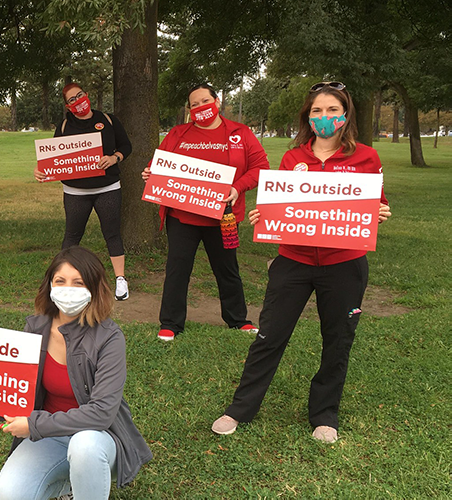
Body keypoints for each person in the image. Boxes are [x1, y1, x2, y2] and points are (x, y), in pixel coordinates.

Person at [211, 81, 391, 443]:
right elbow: (282, 206)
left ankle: (325, 414)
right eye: (317, 111)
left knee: (337, 339)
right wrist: (265, 216)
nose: (324, 117)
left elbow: (375, 203)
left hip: (345, 265)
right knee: (269, 335)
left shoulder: (367, 158)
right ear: (307, 118)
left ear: (345, 115)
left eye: (332, 110)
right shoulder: (293, 158)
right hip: (293, 262)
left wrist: (380, 212)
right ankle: (240, 408)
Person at [0, 246, 152, 499]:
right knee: (9, 494)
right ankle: (69, 485)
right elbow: (16, 391)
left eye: (78, 283)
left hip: (99, 439)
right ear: (50, 286)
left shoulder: (110, 338)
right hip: (49, 437)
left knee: (84, 448)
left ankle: (85, 484)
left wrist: (33, 424)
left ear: (94, 289)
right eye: (60, 281)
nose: (68, 289)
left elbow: (102, 413)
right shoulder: (35, 329)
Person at [142, 84, 270, 341]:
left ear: (217, 101)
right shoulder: (178, 134)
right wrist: (150, 174)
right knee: (178, 269)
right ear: (189, 110)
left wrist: (237, 188)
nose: (201, 107)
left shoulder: (239, 133)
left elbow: (260, 166)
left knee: (227, 269)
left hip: (223, 216)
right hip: (183, 217)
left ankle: (238, 319)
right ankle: (170, 323)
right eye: (195, 104)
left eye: (205, 101)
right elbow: (158, 166)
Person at [34, 83, 132, 301]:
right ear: (68, 106)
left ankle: (120, 280)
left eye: (79, 95)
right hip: (75, 191)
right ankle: (59, 280)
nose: (78, 101)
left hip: (108, 188)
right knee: (72, 236)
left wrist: (114, 158)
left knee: (113, 234)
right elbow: (53, 158)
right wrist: (41, 170)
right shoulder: (65, 125)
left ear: (86, 95)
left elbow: (126, 146)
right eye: (72, 99)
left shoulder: (108, 120)